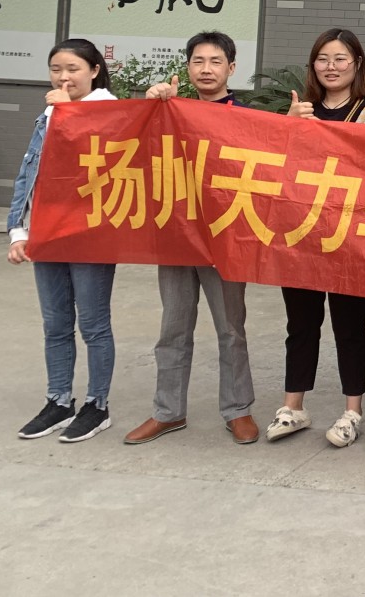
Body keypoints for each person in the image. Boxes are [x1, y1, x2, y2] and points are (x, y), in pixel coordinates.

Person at [126, 31, 257, 446]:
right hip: (177, 236)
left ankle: (238, 409)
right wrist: (151, 102)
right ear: (187, 67)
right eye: (198, 61)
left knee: (231, 330)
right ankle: (168, 412)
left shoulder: (249, 117)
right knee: (173, 328)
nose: (206, 69)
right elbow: (136, 148)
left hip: (224, 240)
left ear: (231, 68)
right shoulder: (168, 111)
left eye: (215, 61)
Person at [267, 29, 365, 449]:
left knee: (349, 325)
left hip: (351, 238)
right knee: (300, 323)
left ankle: (352, 411)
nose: (331, 67)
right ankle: (293, 406)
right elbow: (275, 165)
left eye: (340, 58)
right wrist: (288, 127)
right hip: (302, 233)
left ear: (357, 63)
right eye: (322, 59)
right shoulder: (300, 109)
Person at [6, 39, 119, 443]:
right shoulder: (48, 114)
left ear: (94, 71)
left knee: (93, 324)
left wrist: (67, 110)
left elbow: (99, 159)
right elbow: (29, 175)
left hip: (91, 235)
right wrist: (19, 230)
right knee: (55, 324)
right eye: (56, 69)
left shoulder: (109, 110)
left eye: (73, 69)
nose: (63, 77)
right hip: (48, 232)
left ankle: (97, 405)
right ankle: (58, 401)